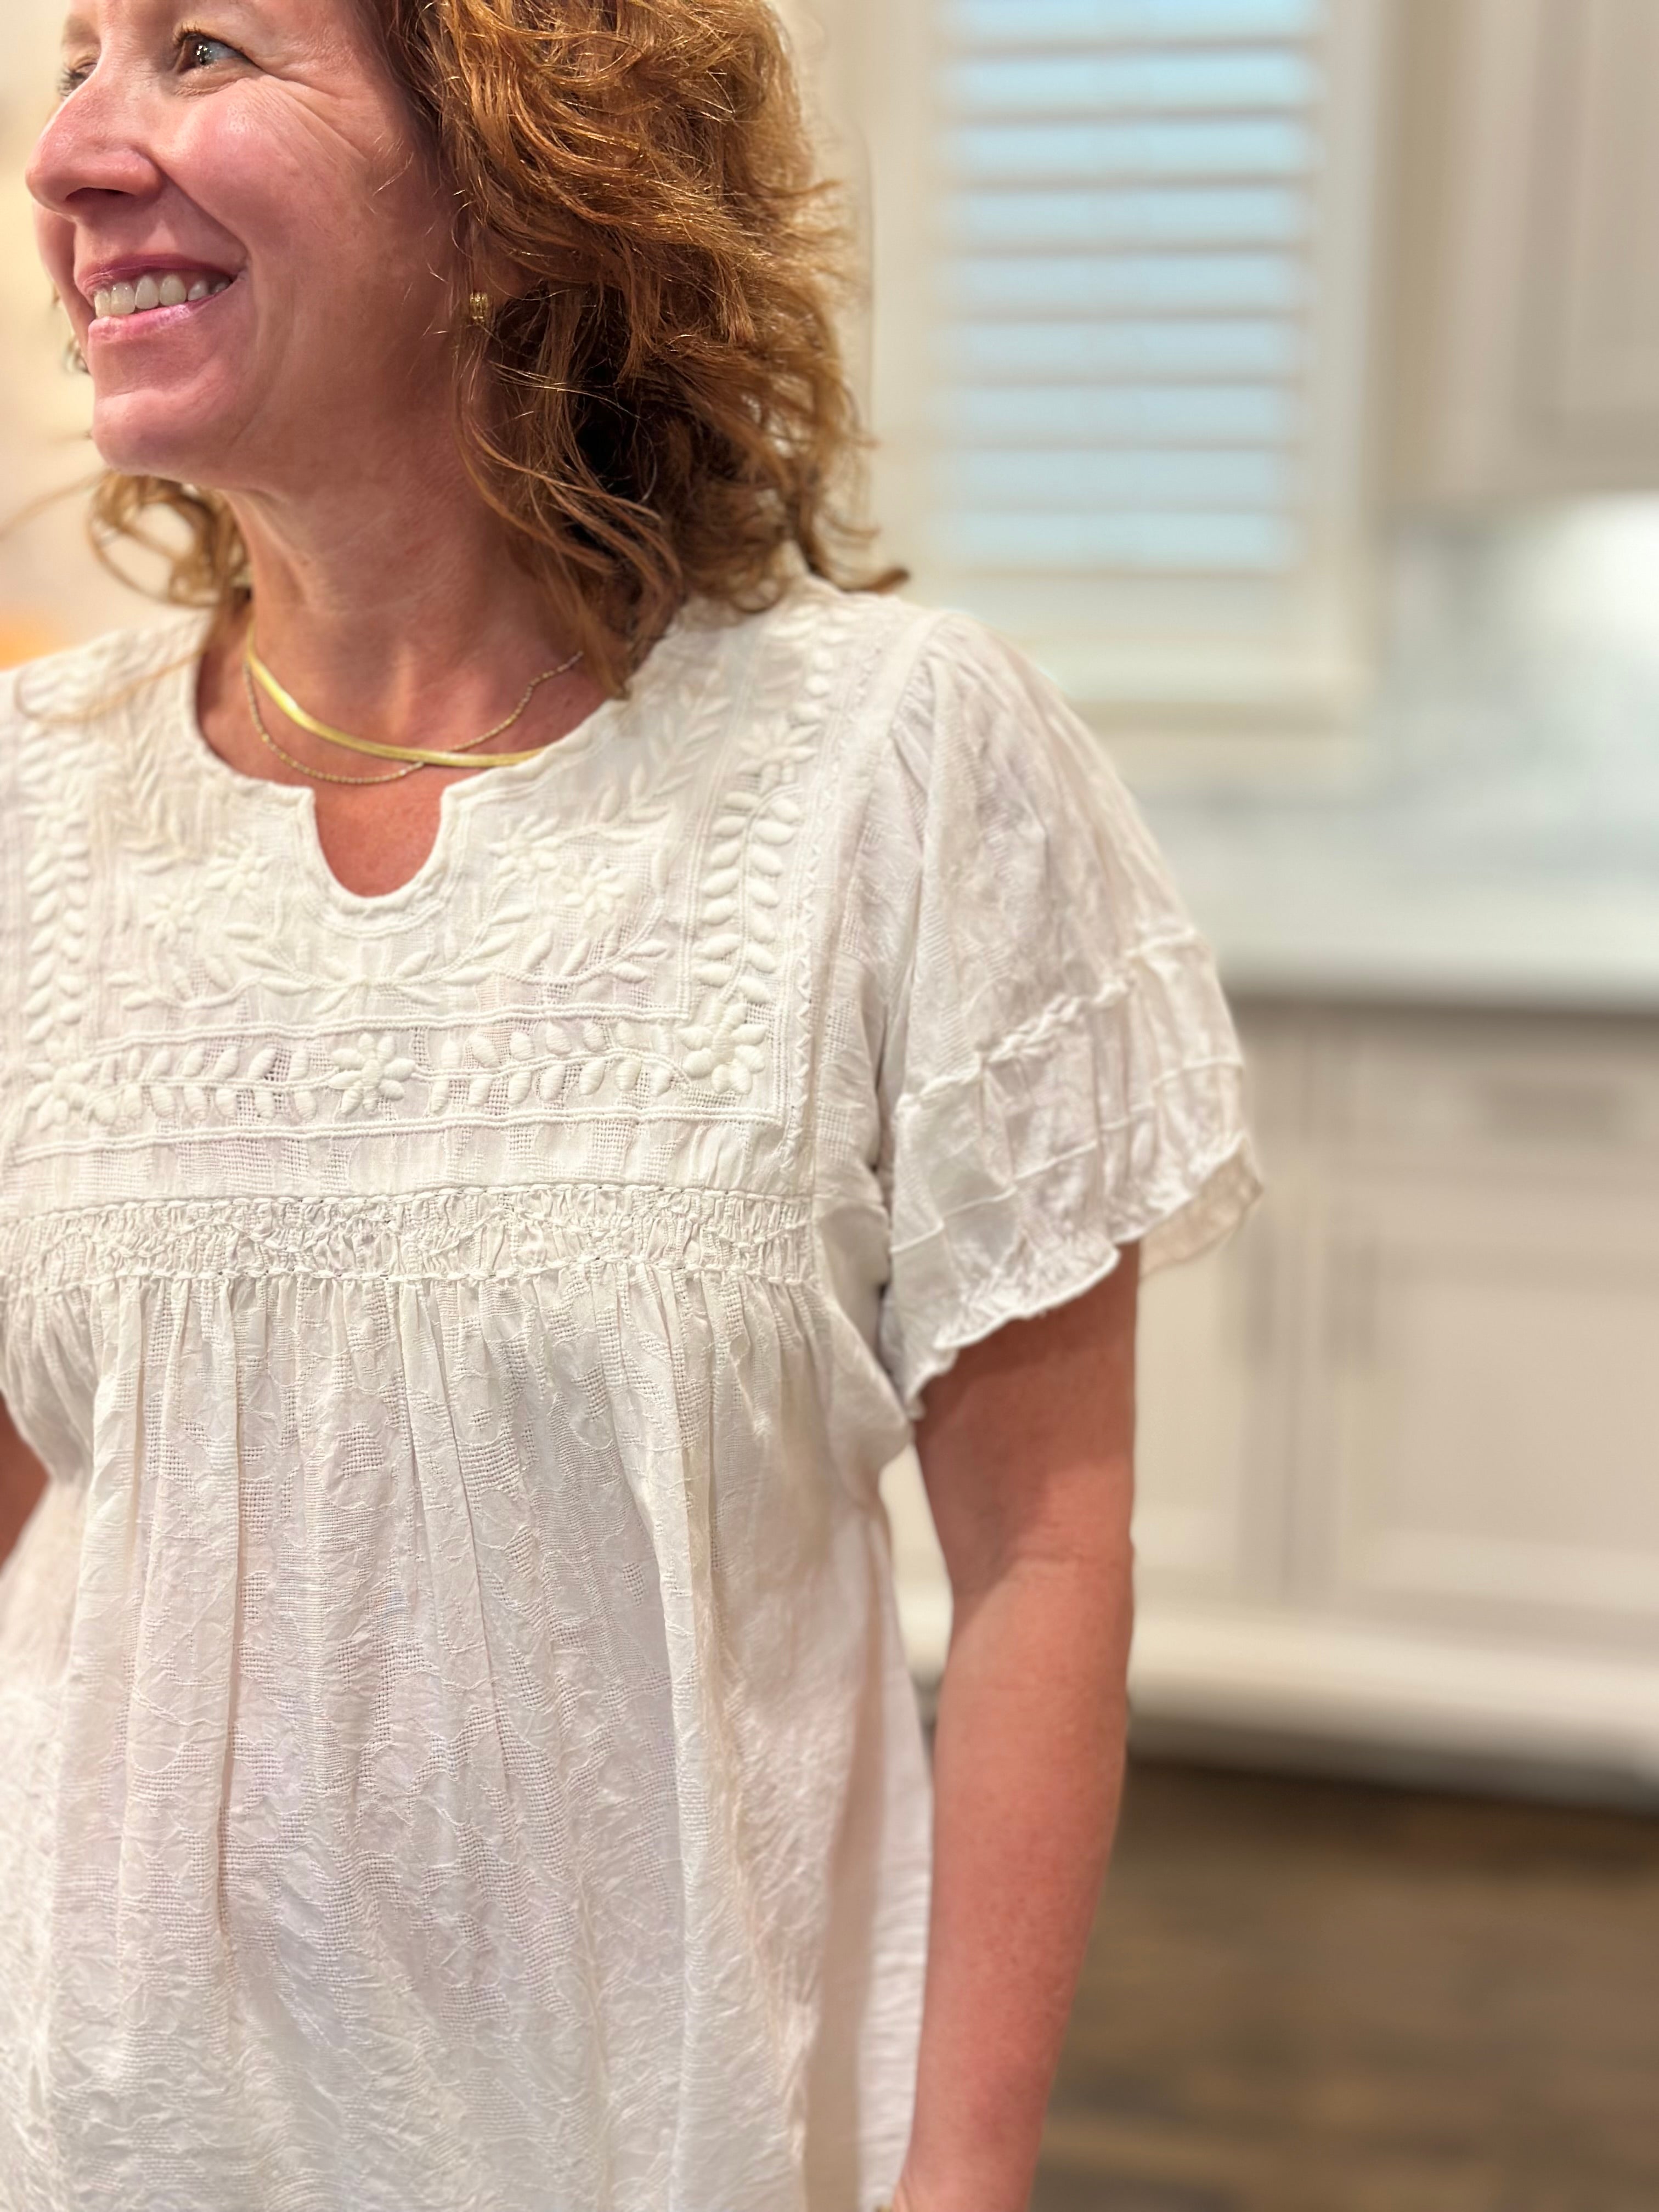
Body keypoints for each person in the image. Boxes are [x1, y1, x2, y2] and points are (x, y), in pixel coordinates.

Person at [0, 0, 1263, 2206]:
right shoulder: (33, 807)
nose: (76, 152)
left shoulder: (894, 770)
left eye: (199, 47)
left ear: (521, 166)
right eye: (75, 59)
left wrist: (962, 2188)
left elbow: (1045, 1560)